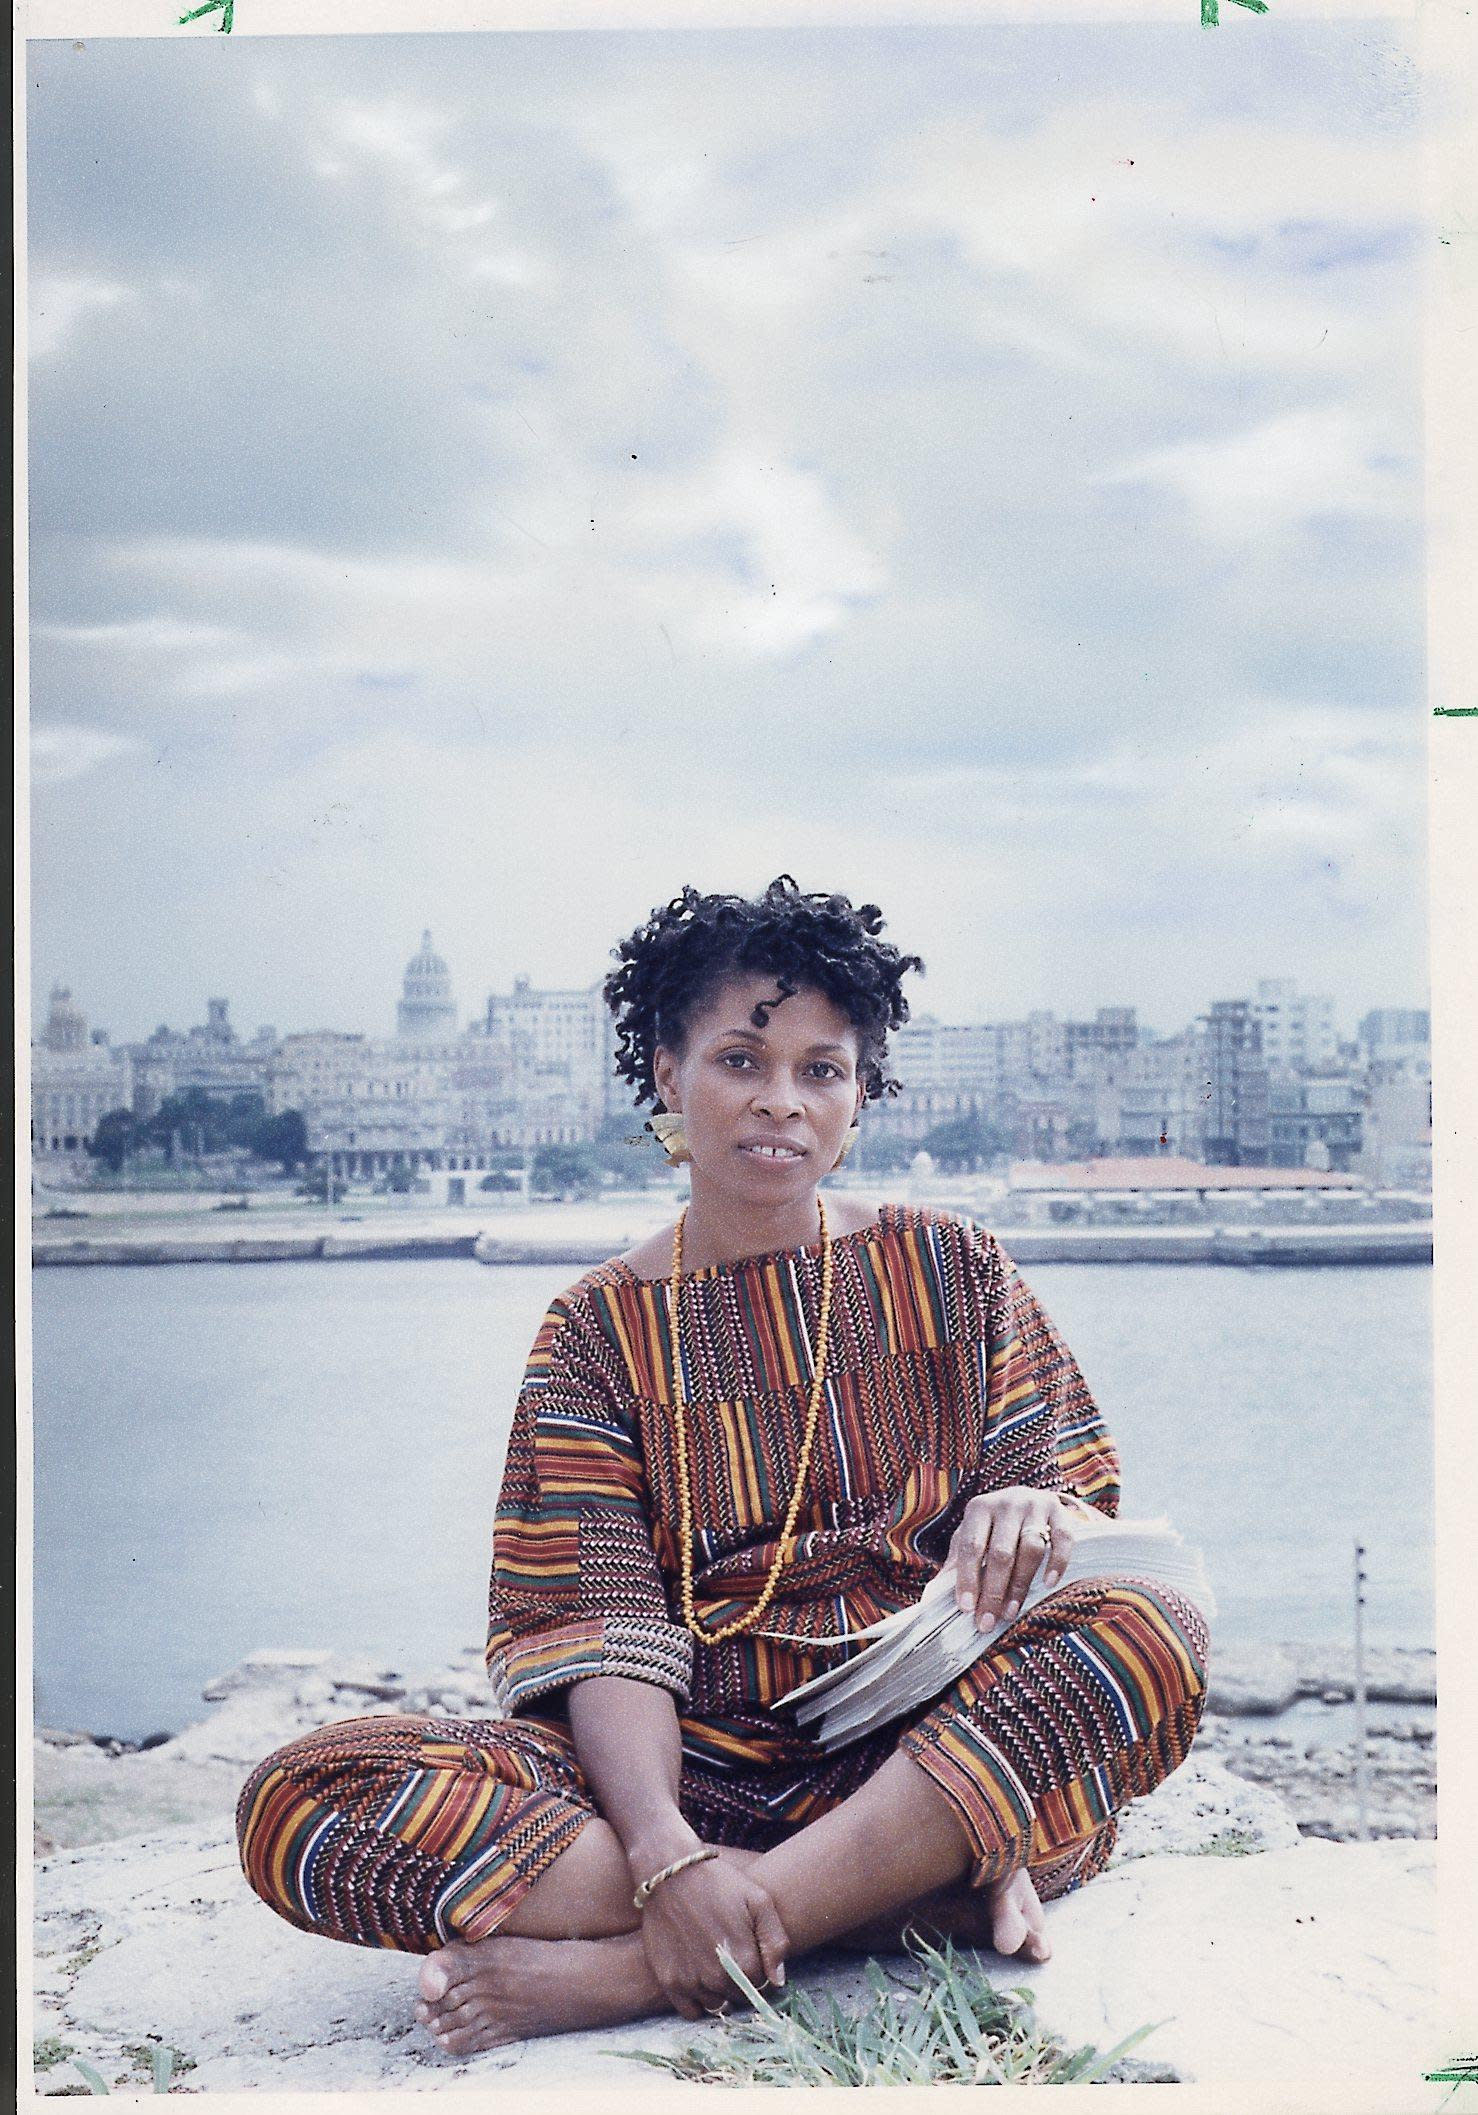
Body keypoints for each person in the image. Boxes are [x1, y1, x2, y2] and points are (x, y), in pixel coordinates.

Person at [236, 876, 1209, 2058]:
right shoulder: (596, 1330)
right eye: (741, 1060)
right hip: (692, 1772)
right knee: (299, 1799)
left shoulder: (952, 1268)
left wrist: (1028, 1503)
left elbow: (1071, 1509)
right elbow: (601, 1625)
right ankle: (886, 1904)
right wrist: (662, 1856)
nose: (780, 1104)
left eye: (821, 1070)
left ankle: (653, 1970)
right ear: (667, 1072)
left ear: (861, 1092)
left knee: (1151, 1626)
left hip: (922, 1751)